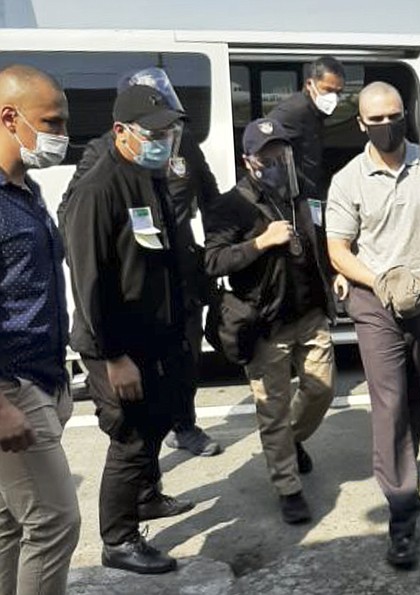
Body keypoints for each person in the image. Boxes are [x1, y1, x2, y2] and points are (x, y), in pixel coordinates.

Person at [326, 81, 420, 569]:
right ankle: (403, 512)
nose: (387, 125)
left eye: (394, 116)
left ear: (404, 115)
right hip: (373, 299)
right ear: (361, 124)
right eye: (376, 119)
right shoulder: (347, 179)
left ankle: (402, 462)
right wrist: (380, 281)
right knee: (388, 402)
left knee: (419, 389)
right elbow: (339, 250)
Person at [61, 84, 195, 574]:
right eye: (155, 132)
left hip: (152, 337)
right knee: (131, 437)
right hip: (115, 345)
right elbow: (89, 280)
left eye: (170, 130)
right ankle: (118, 539)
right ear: (121, 132)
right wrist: (114, 356)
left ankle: (146, 499)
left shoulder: (148, 175)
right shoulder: (100, 188)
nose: (165, 139)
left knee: (156, 420)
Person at [64, 67, 222, 459]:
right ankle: (143, 475)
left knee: (186, 355)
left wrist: (220, 246)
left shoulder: (184, 146)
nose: (163, 136)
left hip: (180, 268)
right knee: (140, 403)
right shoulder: (104, 152)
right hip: (141, 276)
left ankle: (185, 425)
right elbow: (72, 213)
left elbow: (212, 200)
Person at [203, 117, 338, 525]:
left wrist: (337, 277)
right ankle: (287, 486)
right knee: (272, 409)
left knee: (322, 390)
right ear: (250, 161)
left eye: (282, 152)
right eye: (268, 156)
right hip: (266, 323)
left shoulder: (304, 195)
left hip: (310, 314)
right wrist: (260, 242)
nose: (278, 160)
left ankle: (291, 440)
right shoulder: (231, 205)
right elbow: (212, 260)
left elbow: (324, 242)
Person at [0, 64, 81, 595]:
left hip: (43, 378)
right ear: (10, 118)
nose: (60, 134)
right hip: (12, 382)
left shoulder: (25, 191)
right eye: (50, 120)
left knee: (9, 525)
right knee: (54, 524)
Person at [266, 56, 345, 202]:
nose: (333, 98)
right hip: (291, 198)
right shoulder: (295, 111)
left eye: (338, 93)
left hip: (307, 193)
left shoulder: (315, 112)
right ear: (310, 84)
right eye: (327, 90)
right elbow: (264, 144)